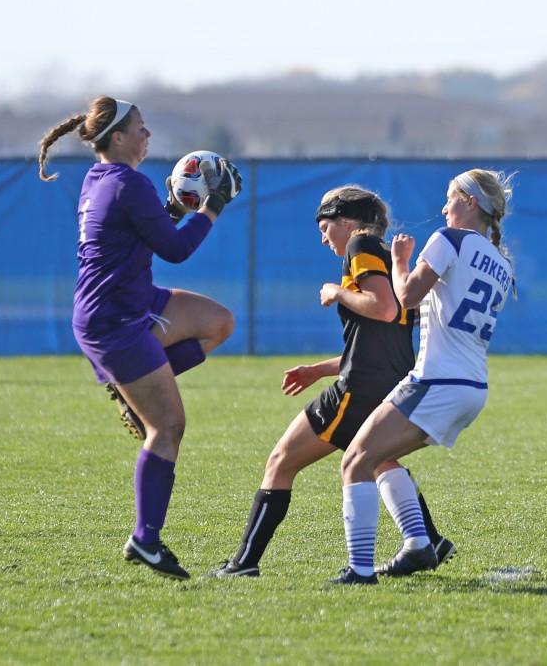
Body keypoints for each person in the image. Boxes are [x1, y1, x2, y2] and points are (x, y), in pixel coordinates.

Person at [38, 95, 241, 580]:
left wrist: (171, 208)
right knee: (168, 427)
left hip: (132, 303)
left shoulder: (103, 179)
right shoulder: (126, 182)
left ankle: (132, 392)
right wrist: (211, 208)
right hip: (115, 320)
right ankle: (145, 541)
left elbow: (144, 232)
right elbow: (174, 250)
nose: (148, 135)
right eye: (142, 128)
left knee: (218, 323)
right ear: (119, 137)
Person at [206, 186, 455, 578]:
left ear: (347, 220)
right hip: (389, 382)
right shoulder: (387, 254)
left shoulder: (360, 245)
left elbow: (385, 310)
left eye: (325, 227)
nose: (324, 238)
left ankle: (244, 564)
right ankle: (427, 541)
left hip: (361, 387)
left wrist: (336, 291)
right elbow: (377, 343)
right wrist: (316, 370)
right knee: (376, 460)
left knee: (280, 462)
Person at [331, 169, 514, 585]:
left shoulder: (448, 239)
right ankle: (417, 543)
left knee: (355, 460)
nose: (443, 208)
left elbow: (406, 298)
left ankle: (360, 570)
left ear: (470, 202)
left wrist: (399, 262)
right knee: (376, 458)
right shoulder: (502, 262)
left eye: (450, 199)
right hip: (471, 386)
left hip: (438, 380)